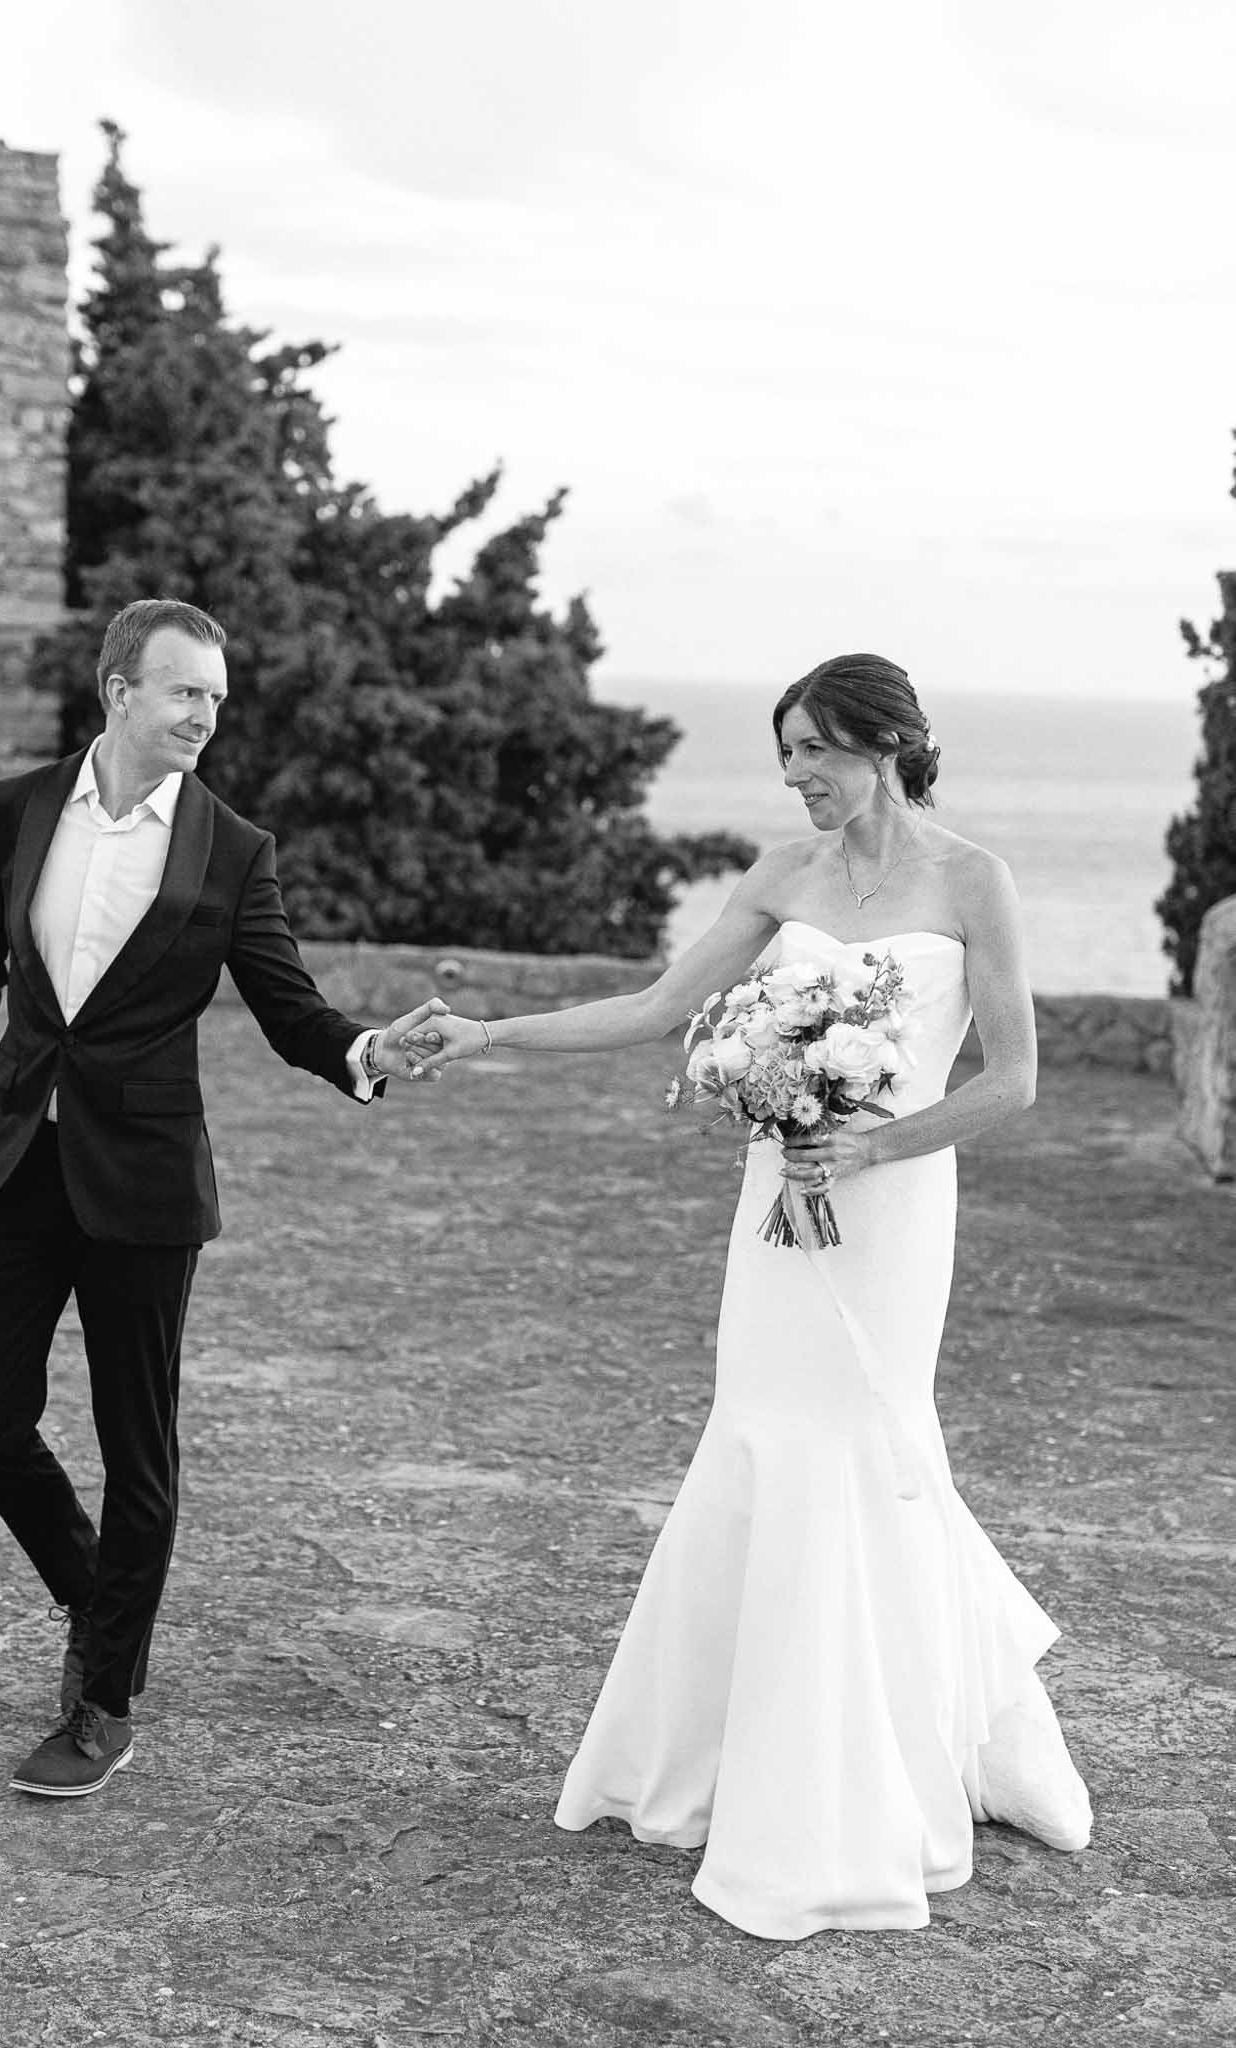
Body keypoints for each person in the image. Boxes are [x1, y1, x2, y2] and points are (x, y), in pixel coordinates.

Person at [409, 652, 1092, 1939]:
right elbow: (665, 1006)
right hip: (775, 1210)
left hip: (890, 1210)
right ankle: (742, 1761)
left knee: (870, 1449)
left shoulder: (971, 880)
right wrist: (492, 1036)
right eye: (783, 759)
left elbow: (1013, 1079)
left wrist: (876, 1142)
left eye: (814, 755)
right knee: (765, 1436)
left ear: (883, 743)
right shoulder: (783, 877)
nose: (796, 781)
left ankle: (889, 1765)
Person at [0, 597, 443, 1799]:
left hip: (146, 1184)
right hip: (14, 1156)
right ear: (119, 691)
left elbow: (289, 1006)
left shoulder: (230, 846)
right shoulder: (18, 806)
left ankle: (105, 1699)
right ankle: (95, 1588)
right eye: (184, 692)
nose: (205, 717)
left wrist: (366, 1052)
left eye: (216, 698)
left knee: (138, 1447)